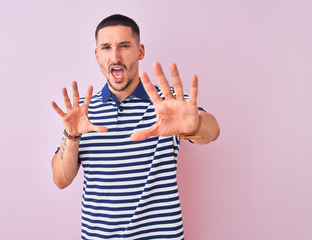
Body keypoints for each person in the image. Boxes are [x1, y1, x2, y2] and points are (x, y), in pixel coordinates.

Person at [51, 14, 220, 240]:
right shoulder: (81, 112)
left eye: (124, 46)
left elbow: (213, 131)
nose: (115, 56)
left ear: (140, 51)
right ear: (96, 54)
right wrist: (71, 136)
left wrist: (193, 125)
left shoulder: (168, 103)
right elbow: (61, 180)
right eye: (106, 47)